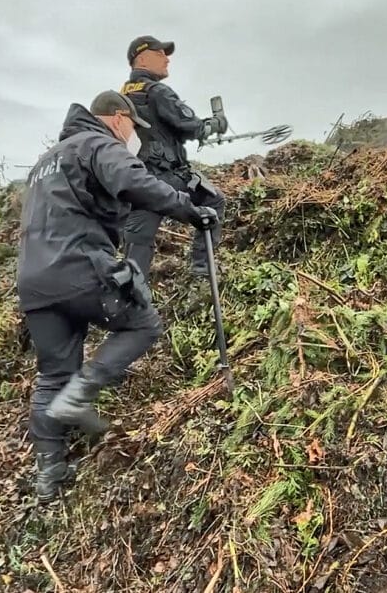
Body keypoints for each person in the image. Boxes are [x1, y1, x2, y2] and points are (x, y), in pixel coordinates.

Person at [17, 90, 217, 501]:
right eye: (132, 129)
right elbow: (134, 180)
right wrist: (189, 208)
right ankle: (81, 395)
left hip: (33, 280)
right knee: (143, 324)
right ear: (118, 119)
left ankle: (48, 475)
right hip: (78, 267)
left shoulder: (44, 162)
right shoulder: (98, 143)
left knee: (52, 374)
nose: (132, 138)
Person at [120, 35, 228, 280]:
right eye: (160, 54)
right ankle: (202, 270)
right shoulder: (157, 92)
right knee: (214, 200)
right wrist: (214, 124)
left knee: (137, 248)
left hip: (136, 185)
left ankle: (132, 294)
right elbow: (191, 125)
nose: (167, 60)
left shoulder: (120, 98)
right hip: (167, 180)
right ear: (143, 58)